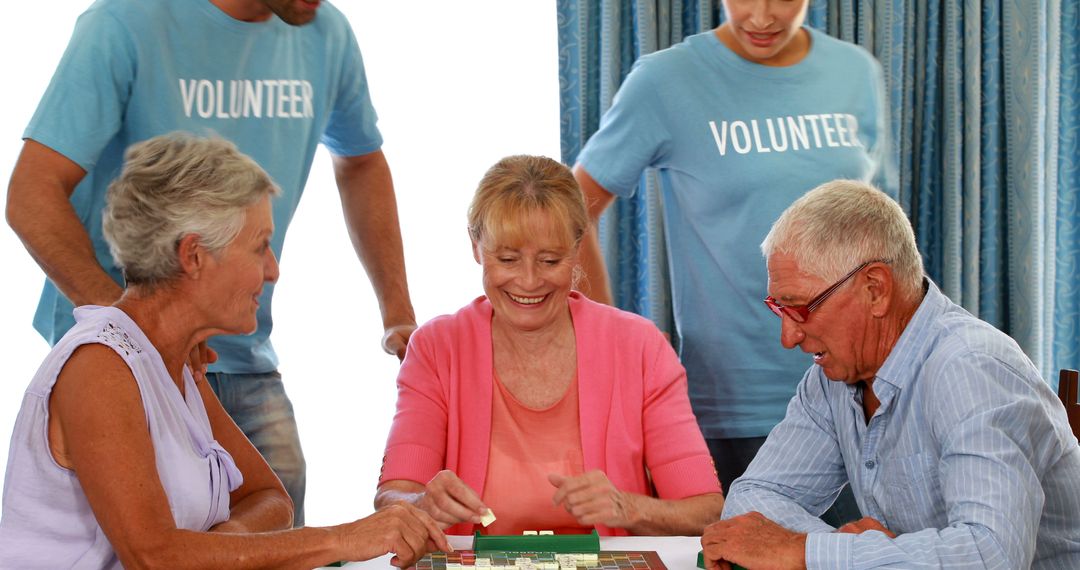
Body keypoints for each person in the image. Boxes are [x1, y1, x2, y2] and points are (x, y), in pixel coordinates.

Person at [5, 0, 417, 525]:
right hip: (120, 361)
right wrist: (137, 337)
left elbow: (361, 162)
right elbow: (31, 195)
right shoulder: (123, 23)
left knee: (273, 523)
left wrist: (397, 311)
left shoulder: (326, 31)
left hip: (242, 356)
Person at [0, 134, 449, 569]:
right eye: (259, 246)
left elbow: (271, 499)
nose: (272, 270)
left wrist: (222, 548)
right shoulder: (100, 366)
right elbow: (155, 558)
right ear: (194, 255)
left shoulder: (173, 362)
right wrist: (340, 539)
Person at [572, 0, 896, 513]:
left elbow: (883, 237)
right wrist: (609, 335)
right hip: (733, 412)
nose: (762, 16)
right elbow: (572, 210)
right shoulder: (666, 81)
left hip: (862, 403)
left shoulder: (856, 72)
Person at [701, 180, 1080, 569]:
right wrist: (843, 552)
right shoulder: (831, 376)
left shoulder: (971, 368)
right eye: (778, 309)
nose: (789, 336)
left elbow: (991, 555)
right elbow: (752, 499)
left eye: (799, 308)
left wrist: (805, 552)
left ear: (875, 289)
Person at [374, 155, 724, 537]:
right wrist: (421, 505)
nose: (528, 281)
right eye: (507, 259)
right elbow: (395, 495)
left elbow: (706, 511)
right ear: (476, 247)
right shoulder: (436, 348)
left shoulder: (640, 347)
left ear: (577, 250)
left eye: (550, 260)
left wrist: (630, 508)